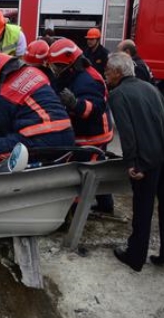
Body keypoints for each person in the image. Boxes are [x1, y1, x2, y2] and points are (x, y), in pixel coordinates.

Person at [105, 52, 164, 272]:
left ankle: (135, 256)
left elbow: (127, 133)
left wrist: (132, 163)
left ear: (118, 72)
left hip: (147, 160)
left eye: (108, 71)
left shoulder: (118, 95)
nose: (105, 75)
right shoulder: (150, 87)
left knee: (143, 209)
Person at [48, 38, 114, 213]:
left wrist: (75, 103)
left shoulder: (89, 80)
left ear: (71, 64)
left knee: (85, 172)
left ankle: (76, 211)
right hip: (83, 130)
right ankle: (104, 205)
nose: (56, 70)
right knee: (94, 170)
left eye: (59, 66)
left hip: (94, 134)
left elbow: (95, 109)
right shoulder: (72, 75)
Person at [0, 53, 75, 160]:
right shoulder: (36, 72)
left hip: (43, 140)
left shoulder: (4, 94)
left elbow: (4, 129)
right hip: (68, 135)